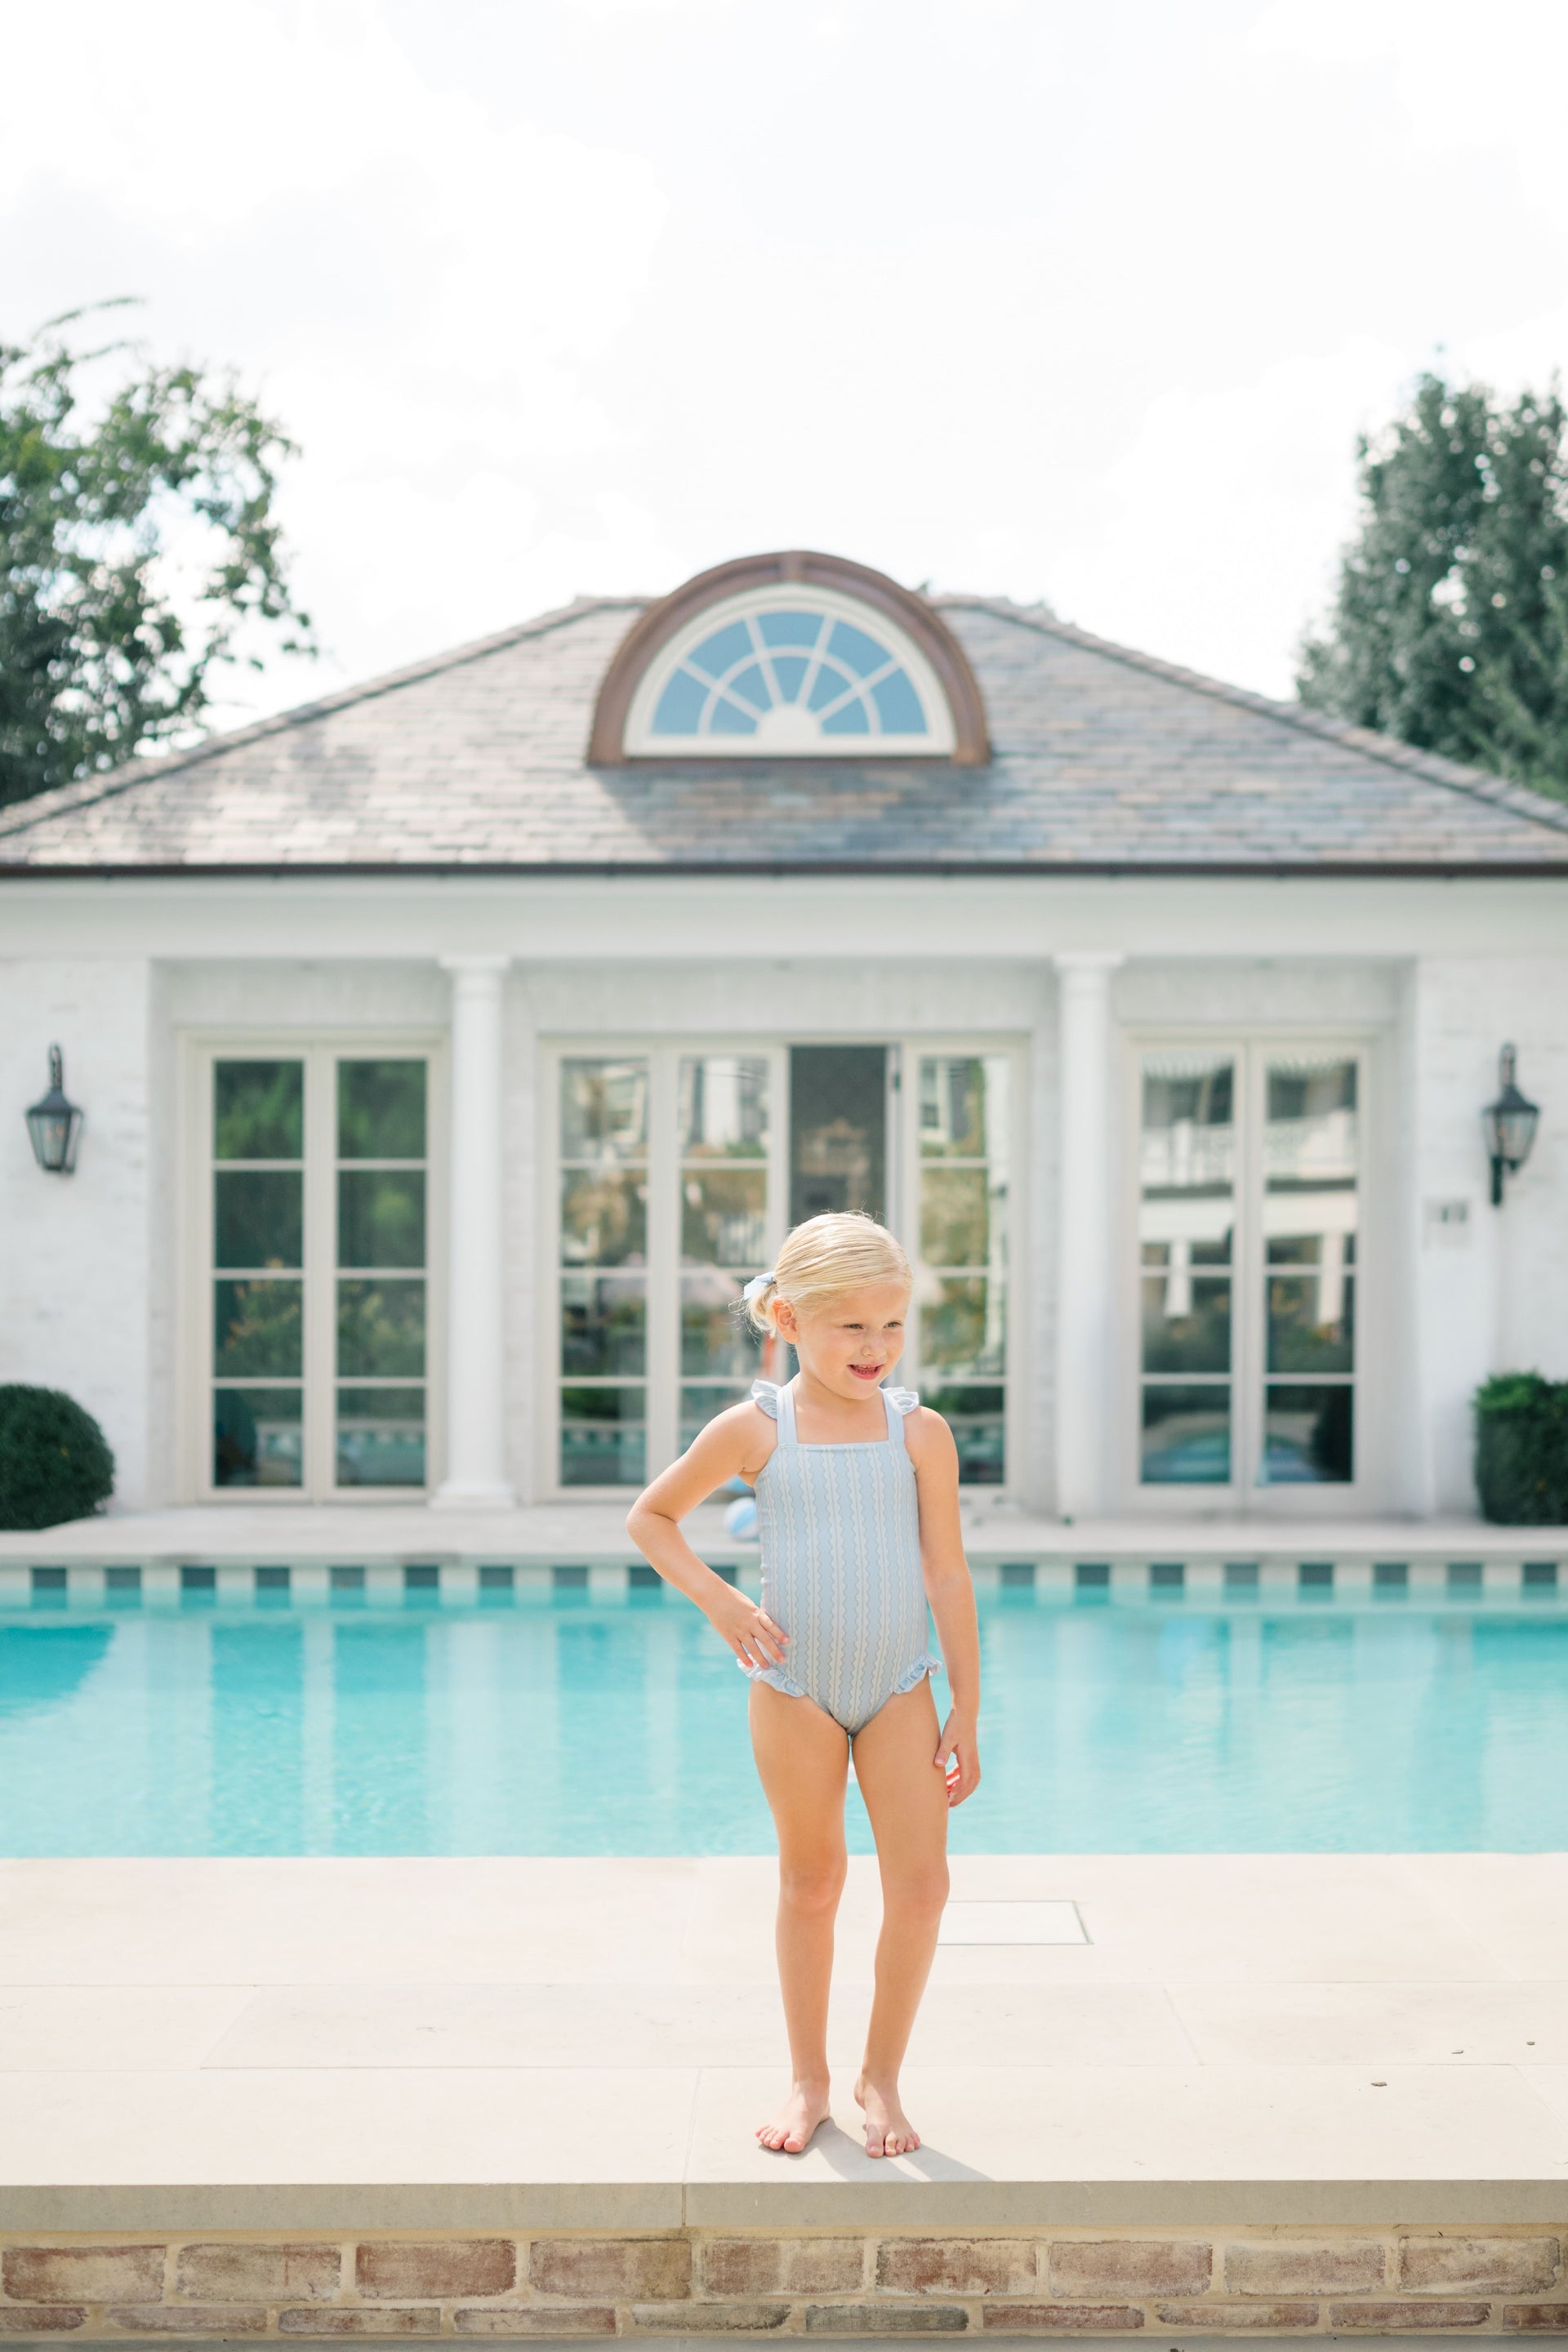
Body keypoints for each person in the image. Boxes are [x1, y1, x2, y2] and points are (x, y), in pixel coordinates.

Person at [626, 1211, 981, 2159]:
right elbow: (652, 1518)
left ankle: (880, 2076)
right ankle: (809, 2080)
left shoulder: (920, 1433)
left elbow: (947, 1573)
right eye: (851, 1326)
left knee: (923, 1888)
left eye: (892, 1324)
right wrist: (721, 1603)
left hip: (900, 1687)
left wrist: (967, 1706)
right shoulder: (756, 1429)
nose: (876, 1347)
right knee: (813, 1882)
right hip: (796, 1690)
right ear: (787, 1319)